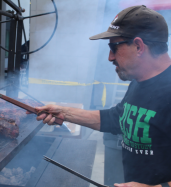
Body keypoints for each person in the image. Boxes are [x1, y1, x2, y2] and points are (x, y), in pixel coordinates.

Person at [32, 5, 171, 187]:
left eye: (114, 47)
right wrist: (64, 112)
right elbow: (117, 118)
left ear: (138, 46)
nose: (110, 57)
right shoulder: (138, 81)